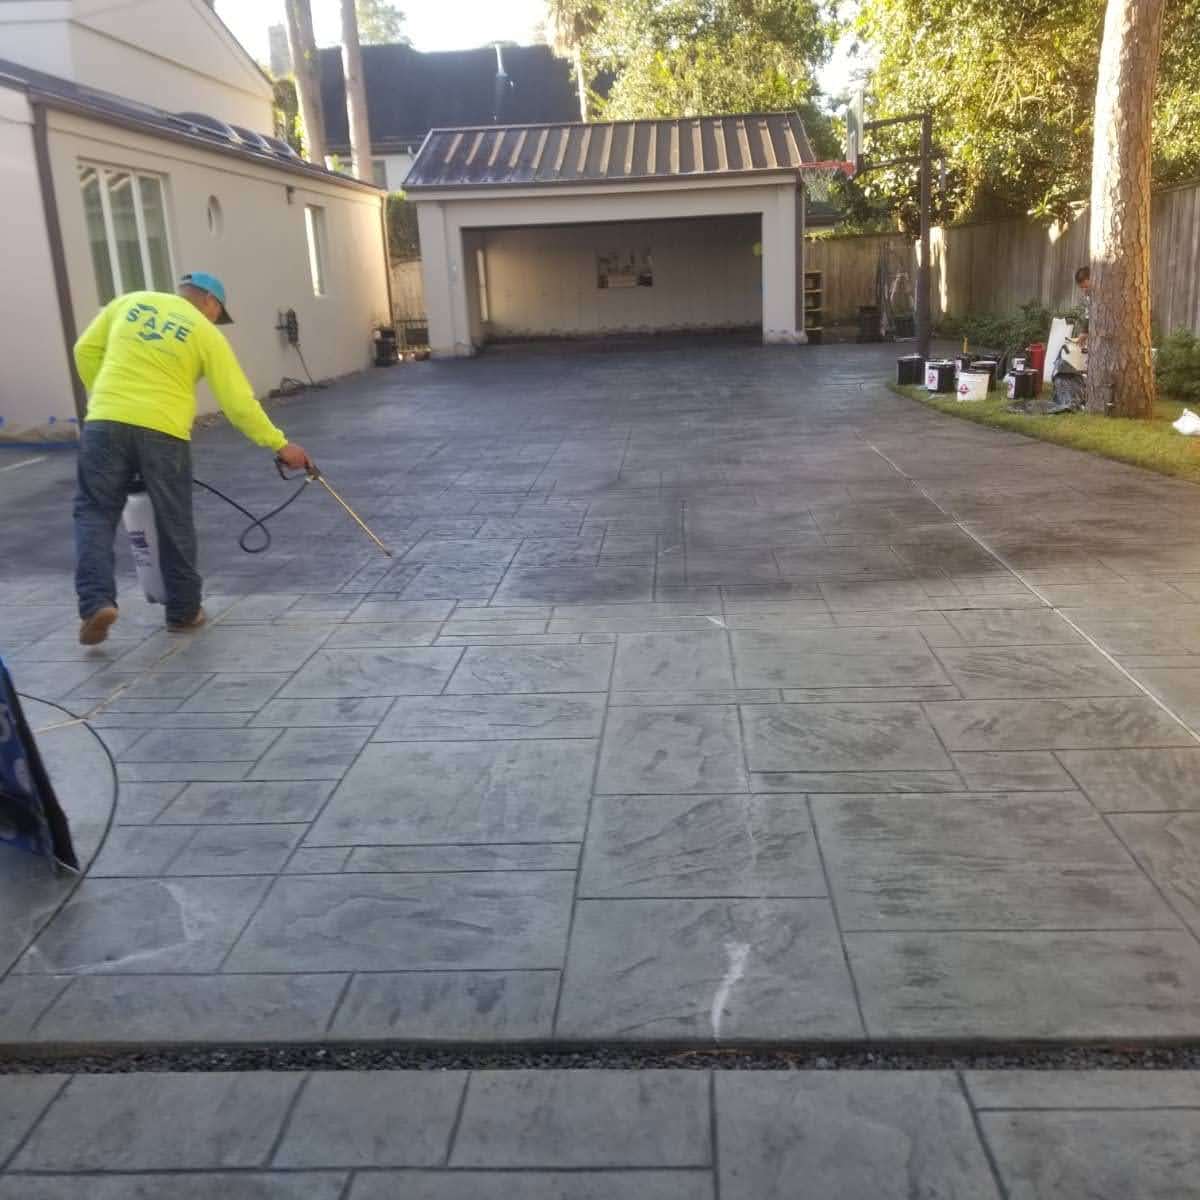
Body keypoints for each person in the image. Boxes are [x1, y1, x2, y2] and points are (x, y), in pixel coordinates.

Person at [72, 272, 311, 646]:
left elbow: (84, 350)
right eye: (218, 313)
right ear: (210, 303)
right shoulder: (205, 332)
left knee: (94, 513)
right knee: (174, 521)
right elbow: (237, 403)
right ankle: (183, 612)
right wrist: (279, 445)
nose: (217, 319)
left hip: (105, 422)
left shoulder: (128, 302)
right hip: (164, 431)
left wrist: (105, 396)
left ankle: (95, 603)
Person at [1074, 264, 1091, 350]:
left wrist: (1084, 333)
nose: (1084, 290)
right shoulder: (1089, 296)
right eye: (1082, 287)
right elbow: (1088, 315)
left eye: (1086, 286)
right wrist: (1084, 332)